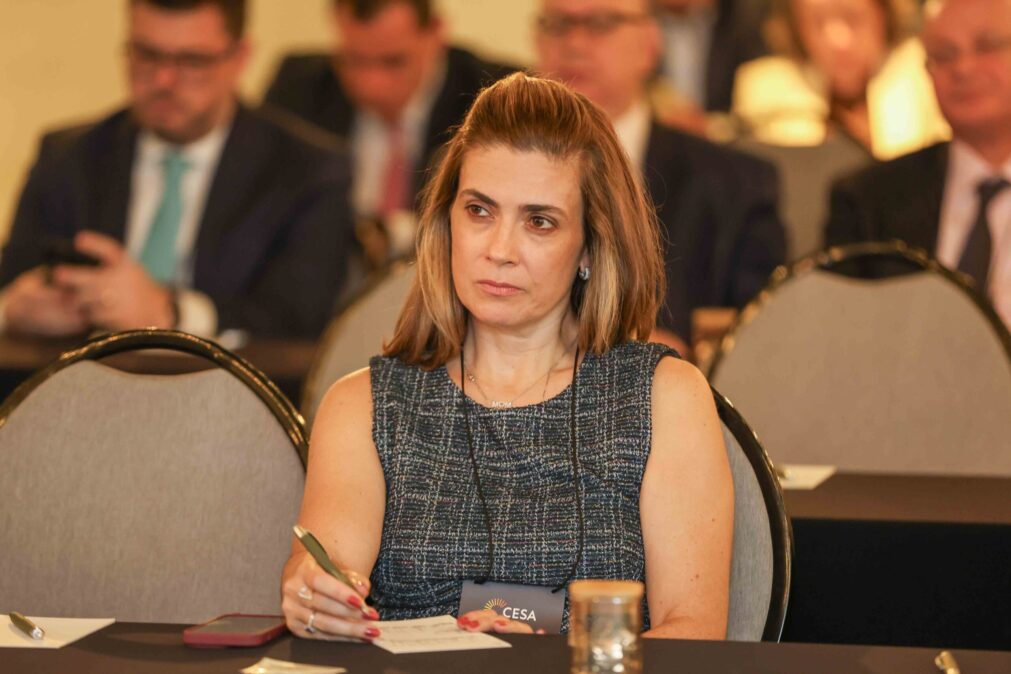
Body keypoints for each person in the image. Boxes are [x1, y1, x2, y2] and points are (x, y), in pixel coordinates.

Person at [280, 73, 734, 640]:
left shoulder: (663, 398)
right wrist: (315, 597)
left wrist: (541, 663)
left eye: (539, 222)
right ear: (446, 221)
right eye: (479, 211)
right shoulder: (365, 405)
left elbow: (693, 635)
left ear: (590, 246)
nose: (499, 250)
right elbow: (326, 576)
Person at [0, 0, 354, 340]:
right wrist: (14, 309)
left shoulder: (309, 171)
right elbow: (12, 281)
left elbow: (299, 320)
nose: (163, 80)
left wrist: (172, 314)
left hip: (233, 381)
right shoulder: (68, 157)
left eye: (191, 61)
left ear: (240, 57)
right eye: (146, 54)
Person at [534, 0, 786, 353]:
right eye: (559, 24)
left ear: (651, 44)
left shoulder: (736, 184)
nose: (574, 43)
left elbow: (768, 342)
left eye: (601, 23)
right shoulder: (491, 173)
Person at [263, 0, 516, 264]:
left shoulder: (495, 99)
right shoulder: (298, 90)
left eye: (393, 61)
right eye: (355, 60)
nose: (373, 85)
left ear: (436, 34)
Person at [825, 0, 1011, 328]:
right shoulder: (867, 200)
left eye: (986, 46)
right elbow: (839, 333)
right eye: (944, 54)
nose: (963, 68)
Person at [732, 0, 949, 160]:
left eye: (853, 18)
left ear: (884, 15)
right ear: (796, 28)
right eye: (817, 22)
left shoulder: (928, 77)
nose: (838, 40)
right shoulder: (766, 92)